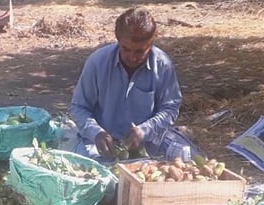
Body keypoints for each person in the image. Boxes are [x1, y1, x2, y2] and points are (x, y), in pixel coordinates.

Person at [69, 7, 183, 161]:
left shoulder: (162, 65)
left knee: (187, 158)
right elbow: (79, 107)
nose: (132, 57)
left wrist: (144, 131)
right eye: (126, 48)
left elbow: (170, 108)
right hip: (100, 146)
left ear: (151, 43)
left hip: (146, 146)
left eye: (140, 51)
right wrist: (96, 133)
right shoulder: (97, 62)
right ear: (118, 40)